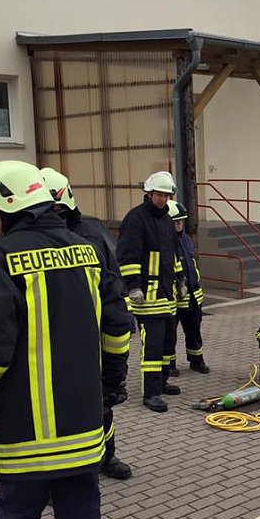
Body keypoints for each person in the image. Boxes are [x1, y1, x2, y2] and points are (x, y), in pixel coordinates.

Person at [0, 160, 130, 519]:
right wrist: (111, 383)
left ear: (12, 207)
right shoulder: (86, 250)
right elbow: (118, 327)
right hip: (83, 430)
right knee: (82, 518)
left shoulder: (3, 258)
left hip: (23, 433)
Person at [41, 167, 133, 481]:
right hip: (52, 342)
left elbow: (112, 291)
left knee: (101, 405)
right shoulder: (34, 241)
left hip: (92, 337)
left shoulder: (91, 235)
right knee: (58, 412)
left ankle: (107, 457)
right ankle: (63, 474)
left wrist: (116, 366)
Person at [117, 171, 185, 413]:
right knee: (153, 346)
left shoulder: (167, 219)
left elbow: (174, 254)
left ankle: (163, 381)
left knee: (168, 342)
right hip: (146, 295)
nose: (163, 200)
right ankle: (151, 392)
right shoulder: (136, 218)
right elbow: (127, 254)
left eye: (166, 196)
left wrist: (181, 281)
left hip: (166, 295)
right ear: (149, 193)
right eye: (159, 195)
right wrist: (133, 286)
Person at [167, 199, 210, 375]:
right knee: (170, 334)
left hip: (193, 295)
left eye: (180, 221)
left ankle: (196, 361)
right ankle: (169, 365)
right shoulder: (165, 242)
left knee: (193, 331)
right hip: (176, 298)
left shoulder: (186, 239)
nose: (179, 224)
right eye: (175, 221)